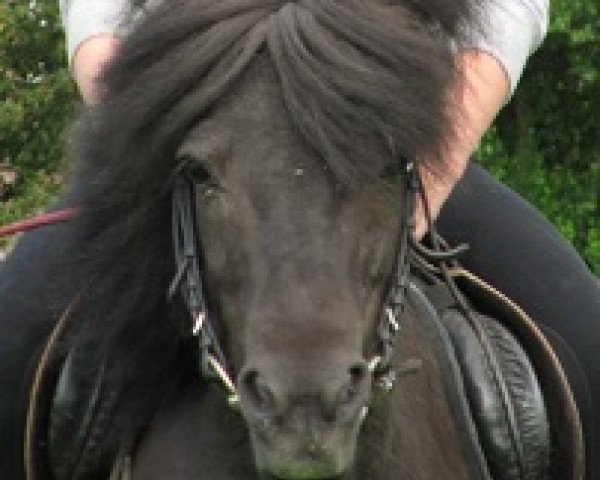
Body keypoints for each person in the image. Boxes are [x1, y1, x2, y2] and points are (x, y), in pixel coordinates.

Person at [52, 0, 600, 477]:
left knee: (587, 343)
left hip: (380, 145)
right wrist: (140, 129)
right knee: (11, 347)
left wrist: (440, 152)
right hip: (196, 138)